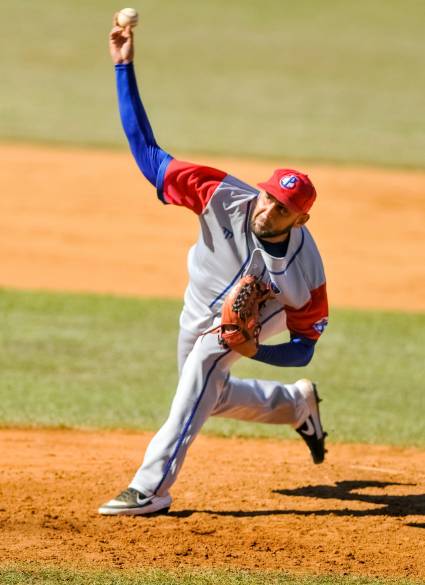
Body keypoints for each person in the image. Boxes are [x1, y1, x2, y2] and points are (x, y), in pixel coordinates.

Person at [99, 18, 329, 516]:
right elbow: (149, 155)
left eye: (284, 209)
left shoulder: (306, 272)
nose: (269, 209)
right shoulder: (222, 195)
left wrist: (253, 347)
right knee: (206, 392)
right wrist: (124, 67)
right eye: (269, 196)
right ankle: (296, 406)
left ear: (301, 217)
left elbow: (304, 346)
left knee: (207, 364)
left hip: (252, 318)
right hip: (196, 302)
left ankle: (150, 487)